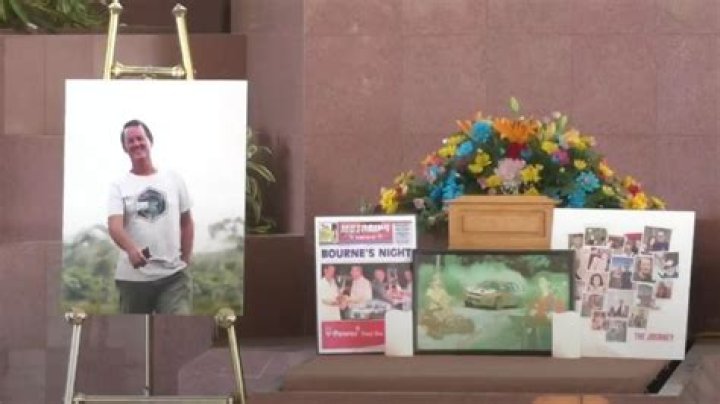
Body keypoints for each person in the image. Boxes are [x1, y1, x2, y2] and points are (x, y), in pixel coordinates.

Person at [108, 119, 194, 314]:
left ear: (150, 141)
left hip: (173, 277)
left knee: (178, 326)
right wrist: (131, 249)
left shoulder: (173, 179)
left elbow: (187, 222)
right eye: (130, 141)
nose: (136, 144)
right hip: (133, 280)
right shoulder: (119, 185)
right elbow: (114, 226)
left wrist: (185, 261)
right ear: (125, 148)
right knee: (133, 331)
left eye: (140, 138)